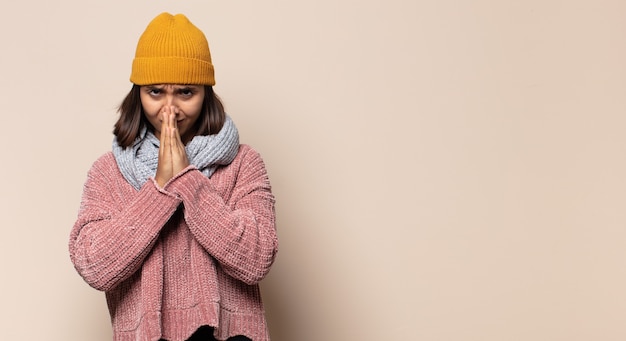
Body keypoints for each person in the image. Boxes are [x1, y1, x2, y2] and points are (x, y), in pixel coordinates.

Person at [68, 12, 278, 341]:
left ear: (205, 93)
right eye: (155, 92)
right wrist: (160, 189)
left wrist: (187, 181)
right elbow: (95, 266)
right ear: (137, 94)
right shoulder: (108, 172)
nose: (170, 109)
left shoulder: (243, 163)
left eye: (185, 92)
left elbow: (256, 259)